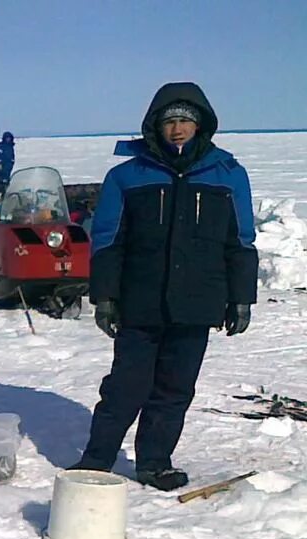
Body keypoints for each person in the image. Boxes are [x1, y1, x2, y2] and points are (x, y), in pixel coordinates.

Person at [71, 82, 257, 490]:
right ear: (156, 125)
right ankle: (96, 459)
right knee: (125, 386)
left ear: (200, 125)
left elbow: (240, 240)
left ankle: (155, 462)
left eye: (185, 121)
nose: (177, 129)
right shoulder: (126, 176)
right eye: (169, 120)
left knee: (174, 389)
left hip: (198, 302)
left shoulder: (227, 174)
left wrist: (241, 298)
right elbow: (107, 240)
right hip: (140, 301)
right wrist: (105, 296)